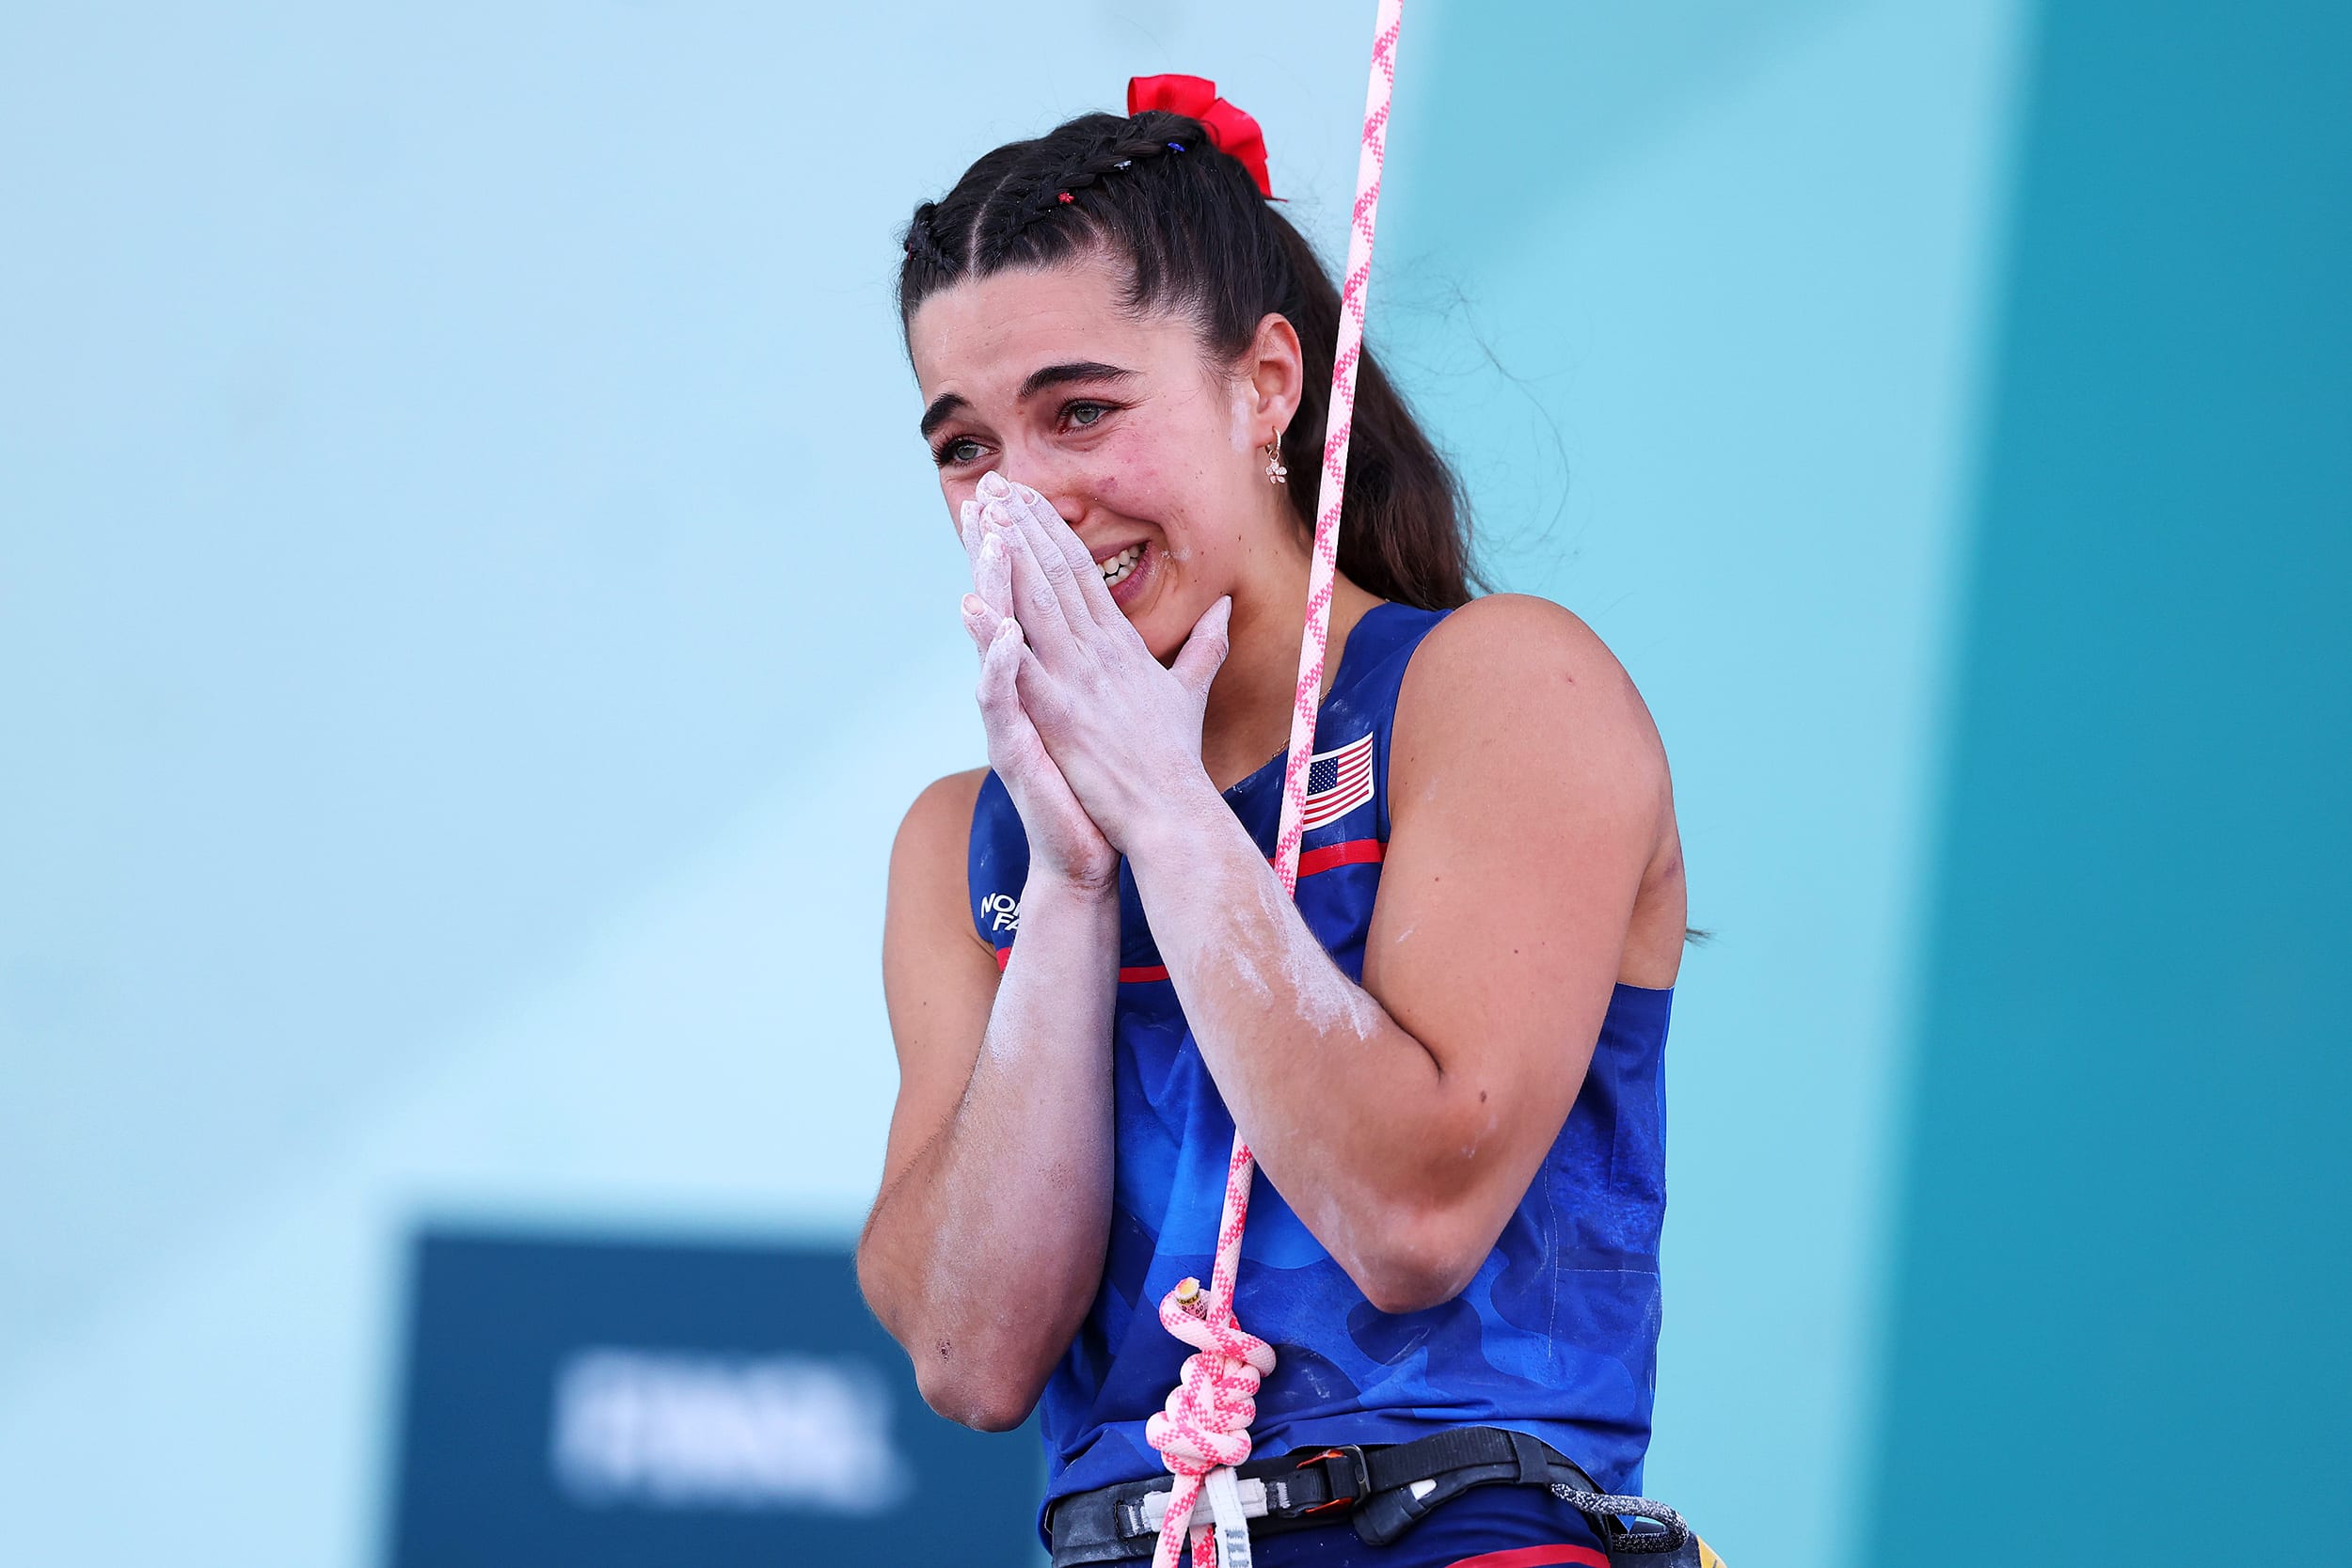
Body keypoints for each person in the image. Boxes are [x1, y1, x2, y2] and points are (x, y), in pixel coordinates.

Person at [856, 80, 1694, 1568]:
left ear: (1264, 387)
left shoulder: (1497, 691)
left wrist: (1173, 815)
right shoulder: (961, 845)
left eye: (1082, 411)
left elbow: (1412, 1216)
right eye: (966, 447)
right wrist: (1069, 877)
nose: (1026, 502)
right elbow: (972, 1358)